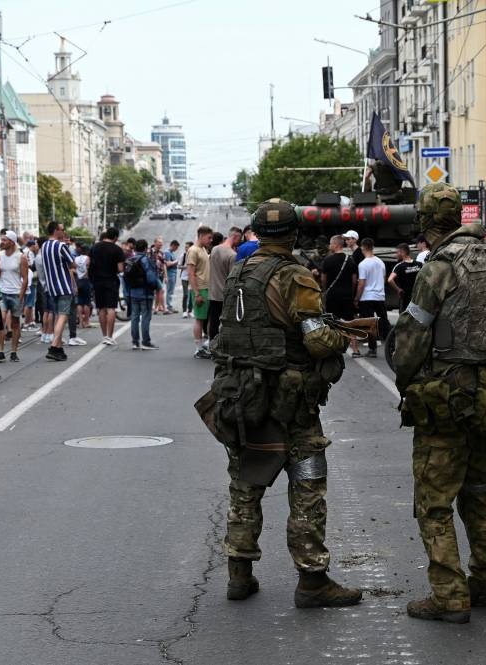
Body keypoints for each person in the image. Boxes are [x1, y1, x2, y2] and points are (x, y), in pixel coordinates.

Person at [197, 198, 362, 609]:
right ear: (293, 234)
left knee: (245, 482)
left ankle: (239, 574)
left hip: (241, 397)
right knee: (307, 481)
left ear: (256, 232)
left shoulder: (240, 272)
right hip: (291, 406)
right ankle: (312, 580)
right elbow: (316, 339)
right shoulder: (296, 276)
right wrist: (344, 336)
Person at [392, 183, 486, 624]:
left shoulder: (439, 266)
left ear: (425, 224)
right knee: (480, 491)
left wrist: (403, 377)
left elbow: (412, 334)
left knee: (434, 500)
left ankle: (448, 596)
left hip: (446, 395)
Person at [41, 222, 76, 361]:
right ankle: (54, 346)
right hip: (64, 285)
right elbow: (72, 263)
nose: (64, 232)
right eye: (62, 229)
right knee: (63, 315)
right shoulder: (61, 246)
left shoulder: (44, 246)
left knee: (57, 315)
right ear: (56, 231)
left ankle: (59, 347)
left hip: (51, 286)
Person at [0, 231, 28, 362]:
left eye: (4, 240)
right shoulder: (0, 256)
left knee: (15, 323)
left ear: (12, 242)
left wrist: (21, 295)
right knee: (0, 320)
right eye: (1, 240)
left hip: (16, 293)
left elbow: (25, 278)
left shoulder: (21, 257)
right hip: (2, 292)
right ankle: (1, 351)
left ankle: (14, 351)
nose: (1, 242)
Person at [89, 228, 126, 345]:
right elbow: (120, 269)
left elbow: (87, 263)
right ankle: (110, 336)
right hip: (111, 281)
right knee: (111, 308)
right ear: (115, 237)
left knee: (101, 308)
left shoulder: (94, 247)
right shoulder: (117, 249)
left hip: (97, 281)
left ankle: (104, 335)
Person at [354, 237, 389, 358]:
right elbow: (384, 279)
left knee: (369, 325)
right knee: (384, 322)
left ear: (363, 247)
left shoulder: (363, 264)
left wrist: (357, 298)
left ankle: (372, 349)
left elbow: (361, 283)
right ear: (372, 247)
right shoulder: (380, 262)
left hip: (366, 297)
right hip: (379, 297)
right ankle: (392, 345)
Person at [207, 226, 242, 343]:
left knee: (213, 322)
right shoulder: (232, 255)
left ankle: (212, 344)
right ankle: (222, 345)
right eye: (239, 239)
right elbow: (232, 277)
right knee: (226, 322)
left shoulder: (214, 249)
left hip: (213, 292)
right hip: (225, 294)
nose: (239, 242)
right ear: (235, 237)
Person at [128, 239, 162, 350]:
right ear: (145, 248)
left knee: (134, 317)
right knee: (146, 317)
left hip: (132, 292)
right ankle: (146, 342)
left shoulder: (130, 260)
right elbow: (151, 278)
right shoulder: (146, 260)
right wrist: (156, 287)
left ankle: (135, 342)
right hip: (145, 293)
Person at [187, 226, 214, 359]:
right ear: (201, 236)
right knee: (200, 319)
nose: (211, 240)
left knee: (209, 318)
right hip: (200, 289)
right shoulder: (193, 251)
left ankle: (207, 345)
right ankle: (198, 349)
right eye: (209, 237)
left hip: (208, 288)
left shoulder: (203, 249)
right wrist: (197, 293)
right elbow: (191, 274)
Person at [387, 242, 422, 313]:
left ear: (402, 252)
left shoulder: (399, 266)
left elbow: (390, 280)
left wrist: (398, 290)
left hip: (406, 298)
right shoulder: (419, 264)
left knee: (405, 317)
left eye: (397, 252)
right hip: (418, 297)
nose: (396, 255)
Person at [73, 243, 92, 329]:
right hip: (86, 281)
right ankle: (86, 321)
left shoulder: (76, 258)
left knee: (80, 302)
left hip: (78, 280)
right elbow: (88, 269)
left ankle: (80, 322)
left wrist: (78, 273)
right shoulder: (88, 258)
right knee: (87, 302)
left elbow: (73, 268)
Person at [179, 240, 194, 318]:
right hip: (184, 277)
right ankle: (184, 311)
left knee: (191, 294)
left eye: (187, 247)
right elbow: (178, 266)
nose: (186, 248)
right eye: (185, 247)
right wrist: (186, 267)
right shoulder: (183, 255)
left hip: (192, 277)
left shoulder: (194, 256)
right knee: (185, 294)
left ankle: (190, 310)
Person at [165, 240, 180, 313]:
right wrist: (176, 262)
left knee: (171, 291)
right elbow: (167, 264)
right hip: (170, 273)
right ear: (173, 245)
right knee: (169, 291)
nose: (176, 249)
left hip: (173, 273)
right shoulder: (167, 253)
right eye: (176, 247)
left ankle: (170, 306)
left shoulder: (171, 253)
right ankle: (169, 306)